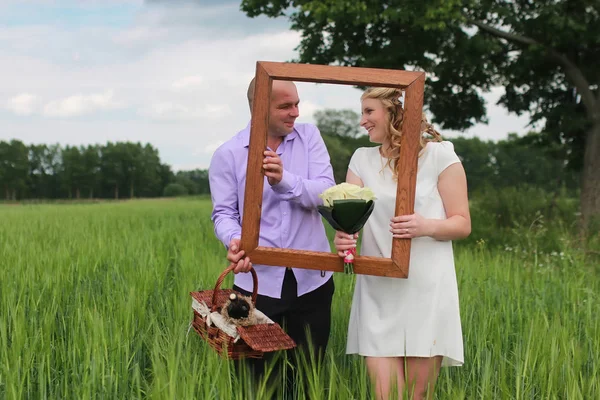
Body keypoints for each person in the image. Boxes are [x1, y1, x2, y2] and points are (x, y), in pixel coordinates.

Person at [333, 87, 471, 400]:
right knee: (386, 395)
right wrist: (343, 236)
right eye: (363, 112)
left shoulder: (440, 155)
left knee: (415, 396)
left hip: (426, 290)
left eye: (369, 112)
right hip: (378, 290)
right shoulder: (361, 160)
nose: (362, 121)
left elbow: (462, 223)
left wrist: (426, 226)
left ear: (394, 112)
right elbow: (349, 217)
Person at [208, 78, 336, 396]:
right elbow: (223, 214)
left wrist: (284, 180)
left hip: (313, 283)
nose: (295, 112)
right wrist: (236, 241)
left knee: (309, 381)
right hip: (256, 285)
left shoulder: (310, 138)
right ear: (259, 107)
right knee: (260, 384)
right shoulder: (227, 154)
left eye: (297, 103)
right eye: (285, 106)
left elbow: (327, 193)